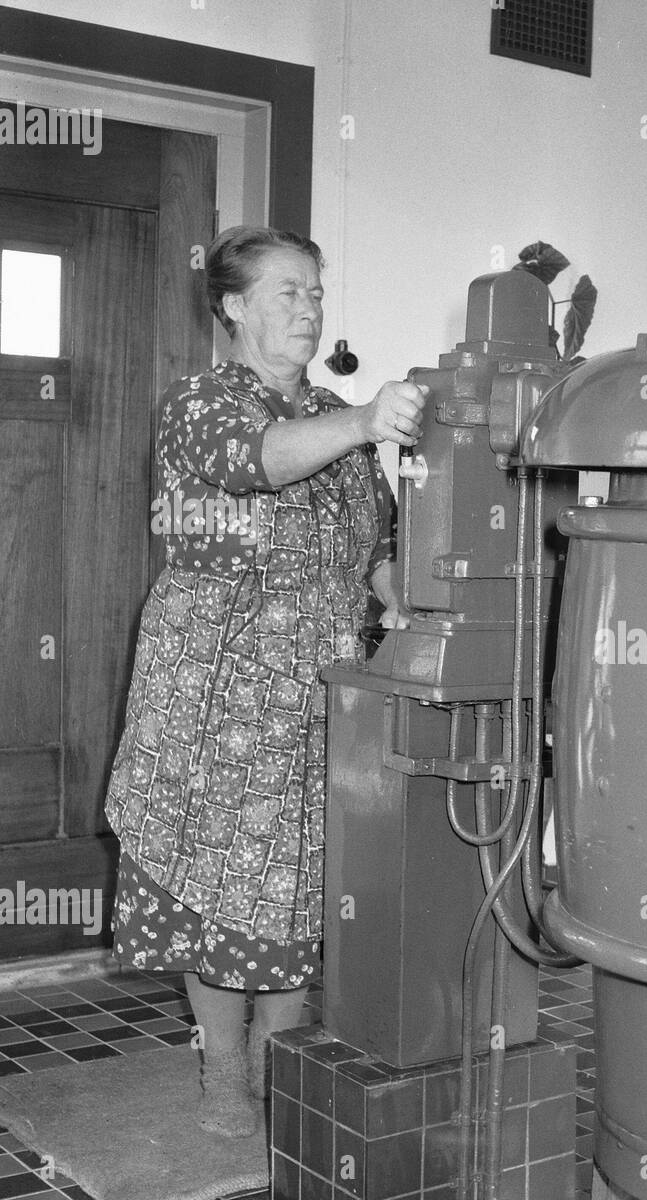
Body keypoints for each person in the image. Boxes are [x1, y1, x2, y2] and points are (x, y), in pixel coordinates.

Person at [105, 226, 426, 1137]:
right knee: (227, 873)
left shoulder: (331, 410)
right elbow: (256, 460)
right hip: (221, 675)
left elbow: (378, 546)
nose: (310, 308)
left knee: (305, 876)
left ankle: (279, 1062)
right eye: (288, 292)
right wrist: (366, 419)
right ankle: (224, 1076)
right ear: (234, 306)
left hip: (325, 673)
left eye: (316, 292)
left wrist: (405, 605)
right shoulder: (200, 402)